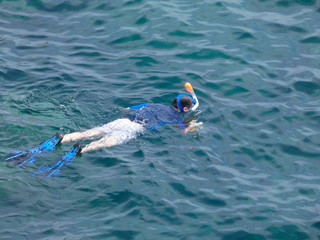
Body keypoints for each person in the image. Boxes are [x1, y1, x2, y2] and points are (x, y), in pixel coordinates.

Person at [61, 94, 202, 153]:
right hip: (136, 128)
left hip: (124, 120)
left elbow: (129, 109)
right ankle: (83, 150)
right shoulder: (175, 118)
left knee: (93, 132)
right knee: (109, 141)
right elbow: (183, 130)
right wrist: (193, 122)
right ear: (184, 109)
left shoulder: (153, 104)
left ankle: (64, 138)